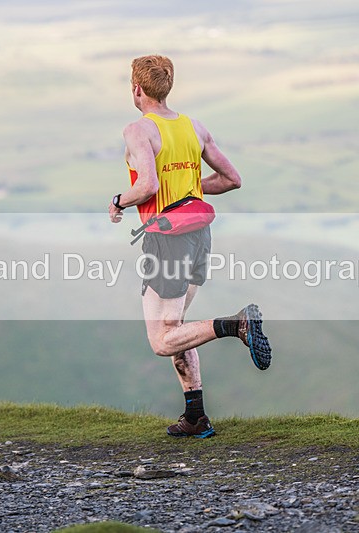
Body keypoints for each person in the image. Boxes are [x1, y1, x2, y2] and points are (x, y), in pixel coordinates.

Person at [108, 55, 272, 438]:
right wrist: (191, 191)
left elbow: (146, 185)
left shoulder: (138, 131)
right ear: (167, 87)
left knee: (162, 341)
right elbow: (231, 179)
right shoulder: (193, 128)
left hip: (166, 241)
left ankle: (235, 324)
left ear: (136, 89)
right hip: (199, 235)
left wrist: (118, 201)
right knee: (178, 327)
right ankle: (196, 415)